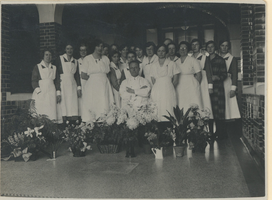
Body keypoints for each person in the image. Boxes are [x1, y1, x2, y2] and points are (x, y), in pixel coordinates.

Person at [81, 39, 114, 122]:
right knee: (94, 104)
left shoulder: (106, 59)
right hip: (92, 86)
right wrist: (94, 80)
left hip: (104, 85)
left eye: (101, 46)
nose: (100, 48)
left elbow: (108, 73)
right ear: (94, 47)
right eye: (98, 46)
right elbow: (83, 75)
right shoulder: (87, 59)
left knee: (104, 103)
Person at [150, 44, 180, 122]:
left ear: (166, 52)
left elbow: (176, 80)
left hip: (168, 88)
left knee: (168, 107)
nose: (161, 53)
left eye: (163, 51)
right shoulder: (153, 65)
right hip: (157, 89)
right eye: (159, 51)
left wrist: (168, 87)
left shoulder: (172, 64)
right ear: (156, 52)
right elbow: (153, 79)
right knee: (158, 108)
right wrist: (159, 86)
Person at [31, 48, 62, 123]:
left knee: (51, 111)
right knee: (41, 111)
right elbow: (34, 80)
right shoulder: (38, 67)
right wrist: (39, 92)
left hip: (51, 91)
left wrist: (58, 93)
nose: (48, 57)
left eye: (50, 55)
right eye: (46, 55)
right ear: (43, 56)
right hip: (41, 92)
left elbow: (57, 81)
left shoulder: (54, 68)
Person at [54, 43, 82, 124]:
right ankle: (65, 123)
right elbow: (57, 76)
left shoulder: (75, 61)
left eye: (71, 48)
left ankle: (73, 122)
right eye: (67, 48)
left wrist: (79, 88)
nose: (69, 50)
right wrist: (58, 91)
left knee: (73, 103)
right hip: (63, 84)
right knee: (64, 104)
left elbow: (77, 76)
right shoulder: (60, 59)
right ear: (65, 50)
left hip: (73, 85)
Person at [206, 41, 228, 139]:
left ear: (215, 48)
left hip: (217, 88)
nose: (210, 49)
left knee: (218, 110)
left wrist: (218, 77)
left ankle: (220, 133)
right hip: (206, 87)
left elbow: (224, 75)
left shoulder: (220, 60)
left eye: (212, 47)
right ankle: (210, 132)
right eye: (208, 47)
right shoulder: (205, 60)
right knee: (208, 109)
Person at [176, 41, 202, 112]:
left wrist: (195, 85)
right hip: (180, 86)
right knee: (181, 103)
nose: (182, 49)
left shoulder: (193, 60)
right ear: (178, 50)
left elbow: (199, 75)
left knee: (192, 103)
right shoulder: (176, 62)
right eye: (181, 48)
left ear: (188, 50)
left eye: (185, 48)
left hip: (191, 86)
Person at [218, 40, 241, 121]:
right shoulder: (216, 57)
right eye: (222, 45)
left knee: (227, 103)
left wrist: (233, 89)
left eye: (226, 46)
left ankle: (227, 123)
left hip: (227, 83)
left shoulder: (232, 59)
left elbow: (235, 74)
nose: (224, 48)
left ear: (229, 47)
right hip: (217, 83)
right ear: (219, 46)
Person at [191, 39, 213, 118]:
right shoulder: (189, 58)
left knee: (204, 101)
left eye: (196, 44)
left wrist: (210, 86)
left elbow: (209, 72)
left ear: (199, 46)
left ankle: (206, 120)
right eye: (193, 45)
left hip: (203, 81)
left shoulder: (204, 57)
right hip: (192, 81)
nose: (194, 46)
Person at [77, 44, 88, 118]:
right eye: (81, 50)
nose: (83, 52)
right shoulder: (77, 61)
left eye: (84, 50)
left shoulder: (90, 60)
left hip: (89, 83)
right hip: (81, 84)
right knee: (81, 102)